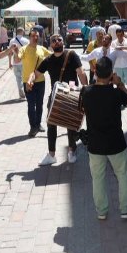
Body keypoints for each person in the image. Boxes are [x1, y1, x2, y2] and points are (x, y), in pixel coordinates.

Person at [80, 57, 127, 220]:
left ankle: (101, 211)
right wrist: (119, 84)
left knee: (97, 178)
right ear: (111, 73)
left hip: (95, 143)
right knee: (123, 175)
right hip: (116, 142)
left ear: (95, 72)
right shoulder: (116, 92)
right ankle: (126, 209)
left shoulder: (86, 92)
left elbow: (81, 108)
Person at [34, 35, 88, 166]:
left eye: (59, 40)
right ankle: (51, 155)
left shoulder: (71, 55)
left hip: (72, 94)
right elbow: (36, 73)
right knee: (51, 124)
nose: (57, 42)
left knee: (71, 123)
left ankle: (71, 151)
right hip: (55, 97)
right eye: (54, 41)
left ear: (63, 42)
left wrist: (87, 89)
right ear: (51, 45)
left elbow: (81, 73)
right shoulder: (48, 60)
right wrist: (30, 80)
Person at [19, 30, 52, 137]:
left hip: (40, 81)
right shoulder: (24, 49)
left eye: (37, 36)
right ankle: (33, 127)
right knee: (31, 105)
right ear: (29, 37)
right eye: (33, 36)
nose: (35, 38)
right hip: (28, 82)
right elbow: (18, 57)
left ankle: (38, 124)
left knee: (39, 104)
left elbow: (53, 56)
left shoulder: (42, 49)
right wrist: (14, 52)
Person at [110, 28, 127, 104]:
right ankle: (122, 99)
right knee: (120, 84)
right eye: (118, 35)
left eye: (121, 35)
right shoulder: (113, 42)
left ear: (123, 34)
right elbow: (113, 53)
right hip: (117, 66)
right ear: (116, 35)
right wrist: (124, 52)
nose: (119, 36)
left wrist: (121, 51)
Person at [8, 28, 30, 99]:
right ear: (22, 32)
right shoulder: (26, 41)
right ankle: (26, 92)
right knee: (25, 78)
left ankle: (21, 92)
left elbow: (10, 53)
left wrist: (9, 63)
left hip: (15, 62)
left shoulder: (12, 41)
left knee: (18, 78)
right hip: (24, 62)